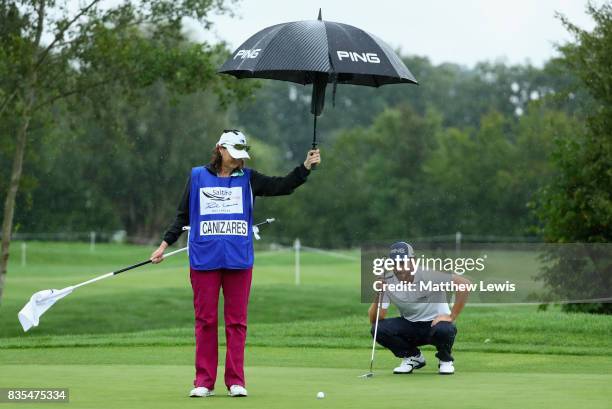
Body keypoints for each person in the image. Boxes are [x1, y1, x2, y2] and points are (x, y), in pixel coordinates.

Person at [150, 129, 320, 397]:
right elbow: (183, 215)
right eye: (235, 154)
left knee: (236, 322)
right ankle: (204, 381)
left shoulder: (249, 179)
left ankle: (236, 380)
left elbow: (282, 186)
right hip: (204, 259)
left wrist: (305, 168)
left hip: (238, 260)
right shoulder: (197, 176)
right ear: (220, 149)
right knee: (205, 320)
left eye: (243, 155)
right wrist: (163, 245)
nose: (240, 160)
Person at [369, 241, 470, 375]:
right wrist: (378, 294)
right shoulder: (388, 281)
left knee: (445, 328)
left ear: (413, 261)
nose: (399, 268)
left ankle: (445, 360)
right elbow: (376, 318)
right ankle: (413, 357)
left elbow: (464, 284)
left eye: (403, 263)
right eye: (395, 263)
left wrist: (451, 316)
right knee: (378, 328)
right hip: (410, 327)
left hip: (436, 325)